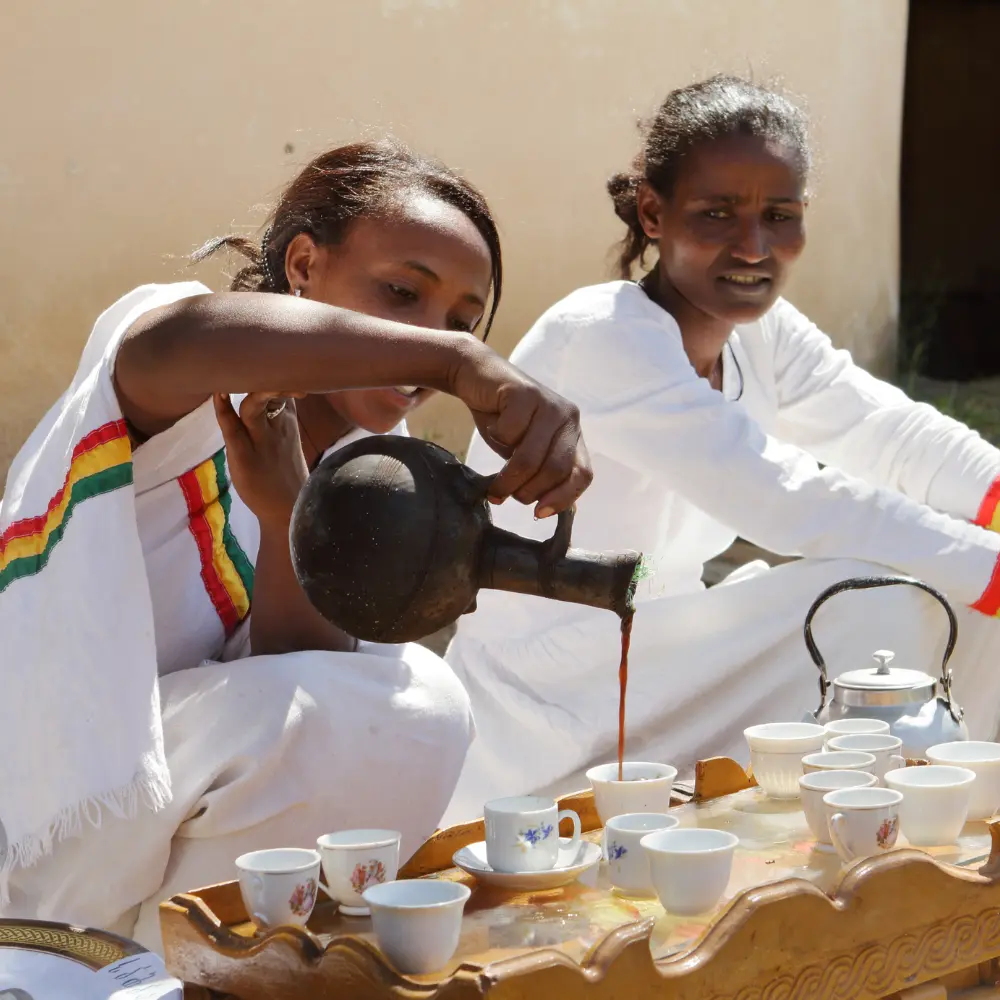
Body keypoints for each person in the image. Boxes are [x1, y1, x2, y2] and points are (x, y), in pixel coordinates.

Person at [0, 140, 591, 949]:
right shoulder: (194, 353)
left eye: (461, 318)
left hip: (145, 819)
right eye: (402, 293)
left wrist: (285, 520)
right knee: (397, 700)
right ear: (304, 265)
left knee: (408, 704)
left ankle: (171, 960)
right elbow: (181, 343)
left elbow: (304, 692)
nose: (429, 337)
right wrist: (456, 358)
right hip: (41, 805)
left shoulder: (369, 466)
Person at [442, 76, 1000, 825]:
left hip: (667, 653)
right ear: (653, 212)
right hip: (556, 686)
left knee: (963, 603)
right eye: (717, 214)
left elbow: (892, 433)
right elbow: (787, 498)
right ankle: (897, 842)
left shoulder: (760, 332)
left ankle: (961, 847)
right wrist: (988, 568)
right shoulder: (603, 334)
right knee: (884, 599)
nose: (753, 246)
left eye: (780, 216)